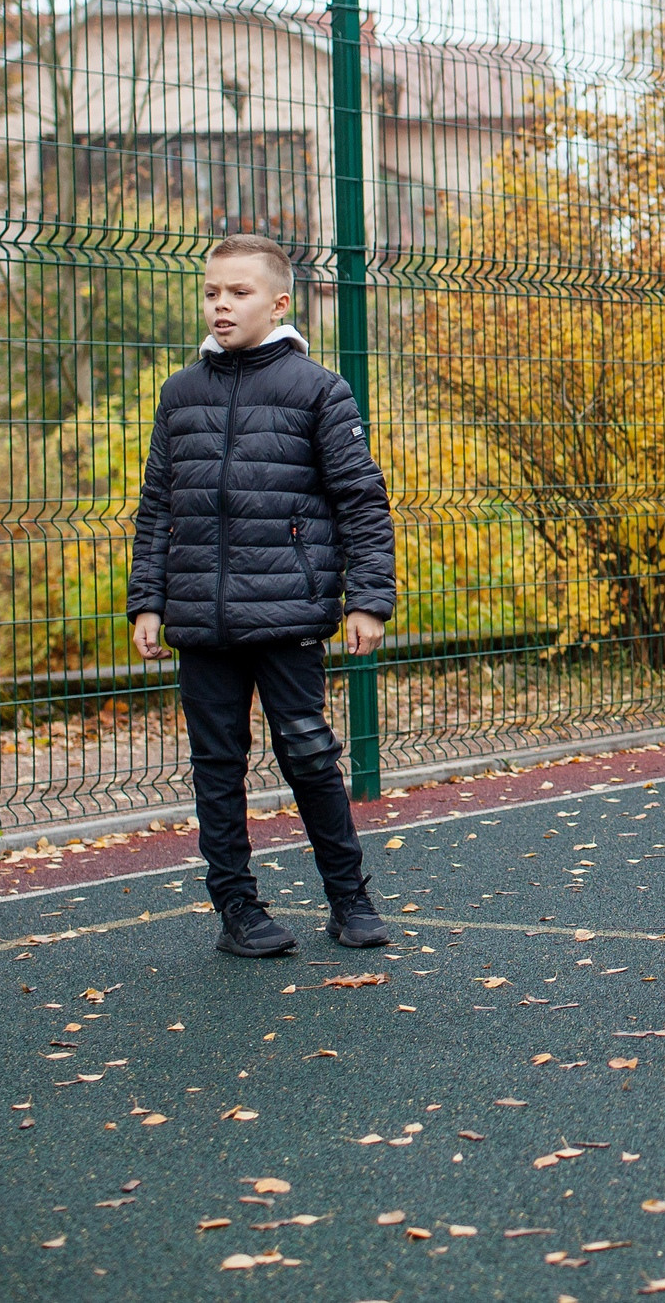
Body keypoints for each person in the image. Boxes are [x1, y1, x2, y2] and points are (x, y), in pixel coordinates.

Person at [128, 232, 395, 959]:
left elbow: (361, 500)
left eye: (238, 292)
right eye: (212, 291)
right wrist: (147, 599)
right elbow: (158, 505)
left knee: (308, 752)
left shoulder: (316, 389)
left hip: (285, 612)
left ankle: (349, 898)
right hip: (200, 619)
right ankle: (237, 910)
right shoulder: (180, 393)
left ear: (278, 302)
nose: (221, 304)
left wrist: (367, 597)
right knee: (216, 764)